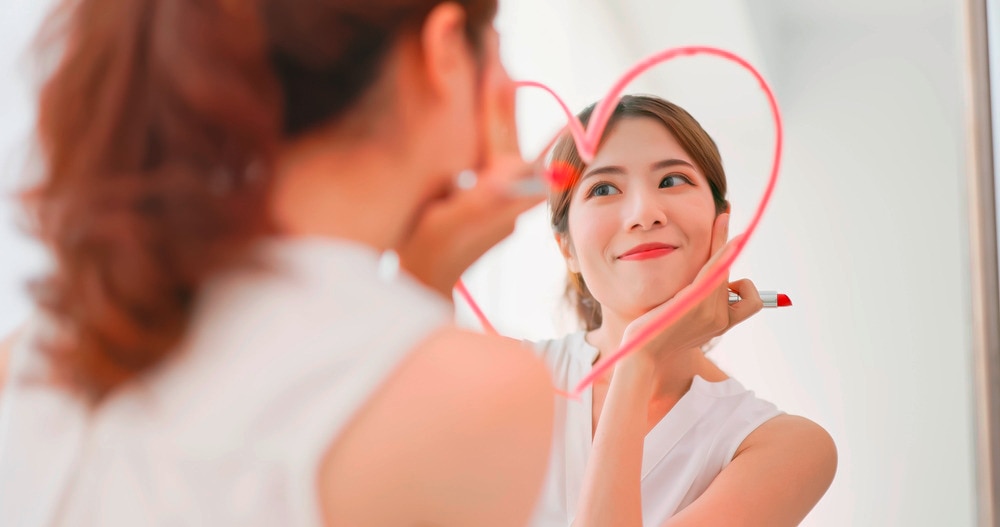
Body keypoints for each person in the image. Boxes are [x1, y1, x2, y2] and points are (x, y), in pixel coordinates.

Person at [0, 1, 555, 525]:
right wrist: (422, 289)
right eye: (496, 47)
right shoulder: (486, 394)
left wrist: (422, 283)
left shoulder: (49, 346)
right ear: (447, 51)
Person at [528, 95, 837, 527]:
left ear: (720, 222)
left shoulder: (786, 447)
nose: (644, 214)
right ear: (568, 249)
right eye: (603, 188)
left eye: (672, 180)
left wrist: (638, 359)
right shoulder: (501, 376)